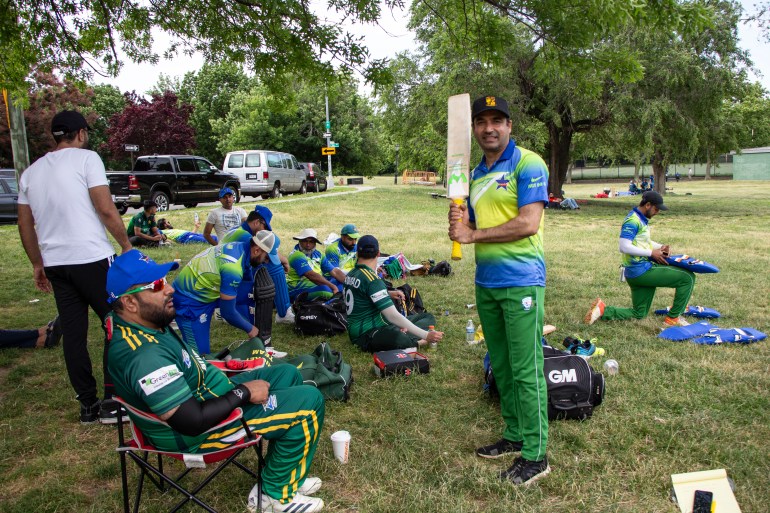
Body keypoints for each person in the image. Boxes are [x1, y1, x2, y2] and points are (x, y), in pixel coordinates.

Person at [105, 250, 325, 513]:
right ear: (129, 302)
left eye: (166, 280)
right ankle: (275, 496)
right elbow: (191, 422)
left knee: (286, 374)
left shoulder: (141, 322)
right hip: (197, 434)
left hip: (206, 396)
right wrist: (243, 393)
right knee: (309, 402)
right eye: (157, 285)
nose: (170, 289)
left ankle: (279, 474)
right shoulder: (145, 356)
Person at [448, 95, 550, 485]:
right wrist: (460, 222)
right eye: (481, 122)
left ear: (510, 126)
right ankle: (514, 434)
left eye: (497, 120)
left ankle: (536, 455)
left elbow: (527, 222)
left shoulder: (528, 163)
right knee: (503, 365)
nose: (489, 128)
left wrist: (473, 234)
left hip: (522, 279)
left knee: (526, 370)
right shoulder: (472, 174)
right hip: (486, 281)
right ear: (474, 129)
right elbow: (470, 222)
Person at [18, 109, 133, 424]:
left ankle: (88, 406)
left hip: (56, 263)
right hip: (91, 257)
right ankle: (112, 402)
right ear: (81, 133)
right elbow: (105, 208)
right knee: (117, 325)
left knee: (74, 335)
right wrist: (125, 245)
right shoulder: (87, 159)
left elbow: (24, 224)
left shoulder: (31, 172)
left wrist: (36, 263)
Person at [585, 191, 695, 328]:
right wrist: (651, 253)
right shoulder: (632, 221)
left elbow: (642, 241)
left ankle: (603, 310)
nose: (657, 212)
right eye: (656, 209)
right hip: (641, 271)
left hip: (634, 273)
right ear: (648, 205)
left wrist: (660, 247)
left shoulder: (640, 219)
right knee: (687, 278)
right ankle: (673, 318)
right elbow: (624, 246)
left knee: (639, 313)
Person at [172, 232, 279, 355]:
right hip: (189, 302)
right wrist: (250, 329)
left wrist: (251, 321)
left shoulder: (242, 248)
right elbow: (227, 313)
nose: (266, 262)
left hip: (205, 292)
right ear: (256, 250)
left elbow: (246, 286)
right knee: (200, 357)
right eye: (266, 257)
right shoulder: (233, 269)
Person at [343, 235, 443, 352]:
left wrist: (388, 293)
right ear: (378, 253)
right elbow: (392, 316)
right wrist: (426, 335)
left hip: (359, 329)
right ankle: (417, 342)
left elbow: (361, 295)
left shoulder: (351, 274)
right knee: (398, 337)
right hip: (367, 334)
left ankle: (404, 333)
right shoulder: (372, 280)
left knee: (426, 317)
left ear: (357, 253)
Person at [221, 206, 294, 324]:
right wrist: (283, 260)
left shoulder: (237, 230)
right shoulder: (246, 237)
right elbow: (265, 254)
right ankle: (284, 312)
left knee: (265, 261)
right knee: (272, 266)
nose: (265, 230)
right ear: (256, 222)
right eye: (264, 227)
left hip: (223, 279)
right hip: (227, 281)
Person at [287, 229, 346, 301]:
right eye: (305, 241)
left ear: (315, 243)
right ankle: (333, 302)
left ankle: (336, 298)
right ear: (300, 241)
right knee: (325, 290)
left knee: (341, 283)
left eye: (311, 241)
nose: (308, 245)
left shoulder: (319, 254)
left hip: (315, 287)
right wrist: (333, 287)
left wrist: (349, 283)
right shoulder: (296, 255)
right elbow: (311, 275)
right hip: (296, 290)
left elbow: (334, 271)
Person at [324, 224, 360, 288]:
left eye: (355, 239)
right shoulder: (332, 249)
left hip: (351, 276)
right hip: (333, 278)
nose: (354, 242)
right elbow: (335, 272)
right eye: (350, 239)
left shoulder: (356, 247)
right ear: (342, 237)